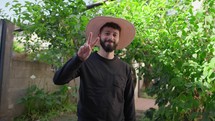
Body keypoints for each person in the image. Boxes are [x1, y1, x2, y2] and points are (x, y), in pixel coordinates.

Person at [53, 16, 136, 121]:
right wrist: (78, 59)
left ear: (118, 39)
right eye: (107, 33)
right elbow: (58, 80)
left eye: (115, 35)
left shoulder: (125, 68)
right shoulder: (85, 61)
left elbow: (129, 103)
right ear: (99, 36)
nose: (111, 37)